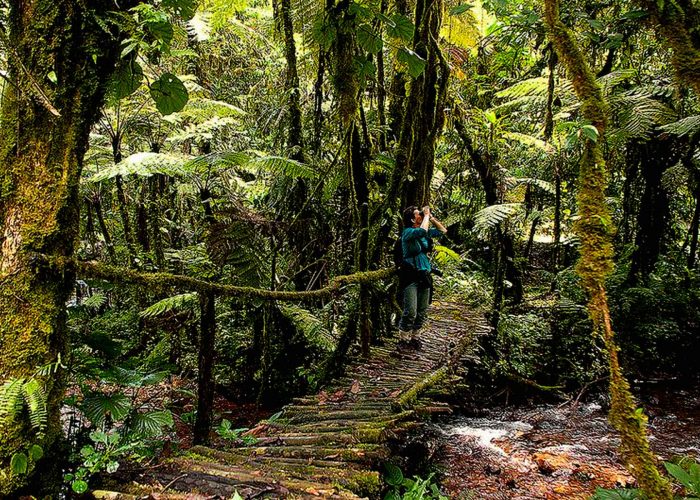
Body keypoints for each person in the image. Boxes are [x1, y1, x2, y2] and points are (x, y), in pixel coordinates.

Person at [398, 205, 447, 346]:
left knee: (422, 310)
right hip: (410, 275)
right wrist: (425, 215)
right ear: (412, 219)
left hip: (424, 273)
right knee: (411, 311)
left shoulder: (423, 232)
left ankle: (415, 337)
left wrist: (430, 217)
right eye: (417, 213)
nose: (420, 214)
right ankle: (403, 338)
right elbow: (421, 231)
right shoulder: (407, 232)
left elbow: (442, 231)